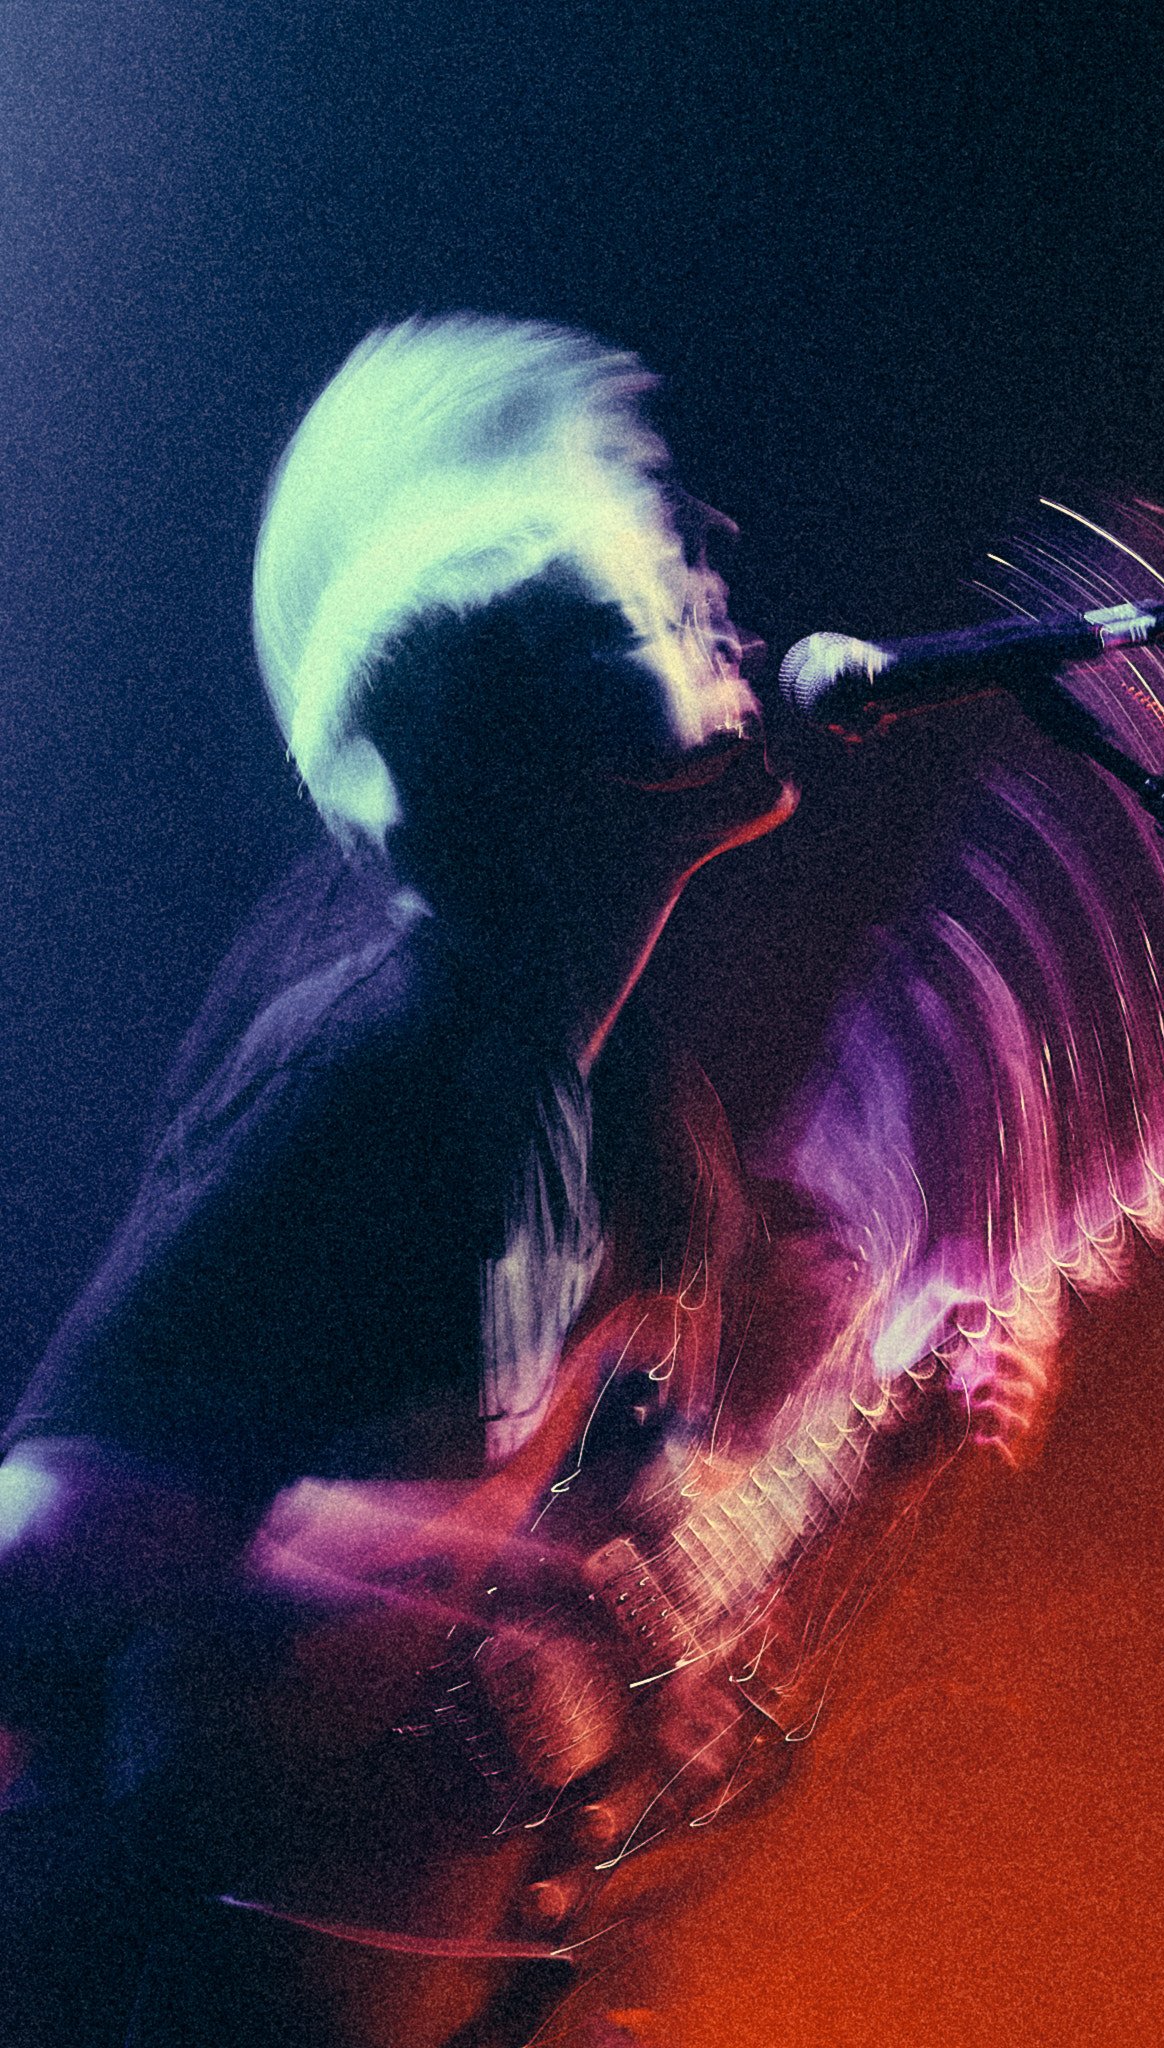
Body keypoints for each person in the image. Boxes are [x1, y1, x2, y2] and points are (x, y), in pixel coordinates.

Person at [0, 315, 803, 2048]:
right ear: (483, 679)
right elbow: (36, 1530)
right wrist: (372, 1567)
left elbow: (593, 1607)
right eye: (635, 521)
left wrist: (693, 1615)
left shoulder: (654, 1137)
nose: (710, 552)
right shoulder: (378, 1048)